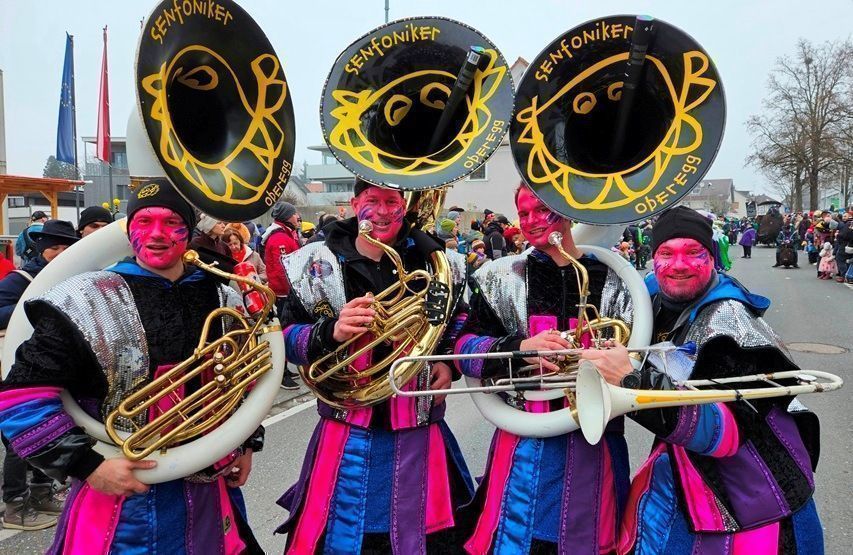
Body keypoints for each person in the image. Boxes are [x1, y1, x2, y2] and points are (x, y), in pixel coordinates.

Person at [0, 181, 264, 553]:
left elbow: (242, 378)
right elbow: (18, 400)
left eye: (171, 222)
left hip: (209, 493)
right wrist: (89, 466)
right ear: (129, 229)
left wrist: (246, 441)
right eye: (144, 221)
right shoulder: (83, 296)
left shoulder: (221, 291)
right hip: (121, 502)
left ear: (188, 232)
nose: (156, 234)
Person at [585, 206, 823, 554]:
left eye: (693, 253)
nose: (679, 265)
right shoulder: (652, 294)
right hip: (685, 466)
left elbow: (724, 433)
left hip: (757, 493)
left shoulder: (731, 321)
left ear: (713, 258)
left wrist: (630, 379)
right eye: (666, 254)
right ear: (654, 259)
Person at [275, 179, 474, 553]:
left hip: (420, 427)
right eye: (372, 201)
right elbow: (285, 339)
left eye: (391, 201)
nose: (382, 211)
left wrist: (451, 362)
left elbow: (459, 320)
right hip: (347, 431)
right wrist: (329, 331)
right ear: (353, 203)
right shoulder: (312, 263)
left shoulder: (439, 261)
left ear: (405, 204)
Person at [453, 182, 635, 554]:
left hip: (597, 441)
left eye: (541, 210)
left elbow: (640, 357)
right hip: (523, 442)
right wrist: (519, 348)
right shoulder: (498, 276)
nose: (532, 221)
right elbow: (464, 351)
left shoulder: (617, 278)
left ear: (567, 212)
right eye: (523, 214)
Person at [0, 220, 79, 531]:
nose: (59, 253)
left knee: (52, 430)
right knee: (17, 441)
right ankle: (14, 505)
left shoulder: (74, 275)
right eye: (53, 247)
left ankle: (42, 492)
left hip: (54, 368)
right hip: (16, 371)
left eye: (65, 247)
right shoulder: (20, 279)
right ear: (40, 247)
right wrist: (34, 306)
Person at [262, 201, 302, 390]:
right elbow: (282, 269)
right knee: (282, 332)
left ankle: (285, 368)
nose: (298, 217)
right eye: (294, 214)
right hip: (282, 293)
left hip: (285, 292)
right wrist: (292, 290)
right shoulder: (279, 238)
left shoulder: (285, 234)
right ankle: (281, 372)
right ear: (287, 216)